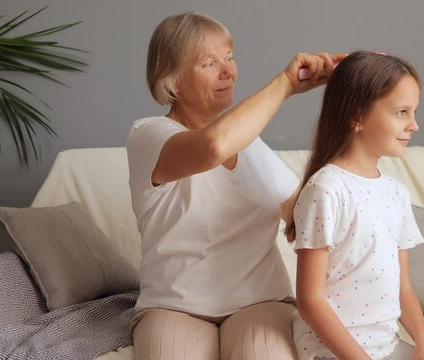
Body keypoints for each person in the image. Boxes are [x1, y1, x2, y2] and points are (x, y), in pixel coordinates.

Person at [126, 11, 346, 359]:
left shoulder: (252, 145)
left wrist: (348, 101)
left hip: (261, 301)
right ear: (173, 82)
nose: (228, 71)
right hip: (174, 306)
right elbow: (213, 147)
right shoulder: (148, 135)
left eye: (229, 58)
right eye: (209, 63)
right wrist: (287, 84)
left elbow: (305, 218)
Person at [286, 51, 424, 360]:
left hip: (386, 348)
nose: (414, 125)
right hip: (333, 352)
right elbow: (310, 300)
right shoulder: (326, 189)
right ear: (356, 116)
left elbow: (403, 287)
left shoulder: (396, 193)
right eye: (402, 112)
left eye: (414, 112)